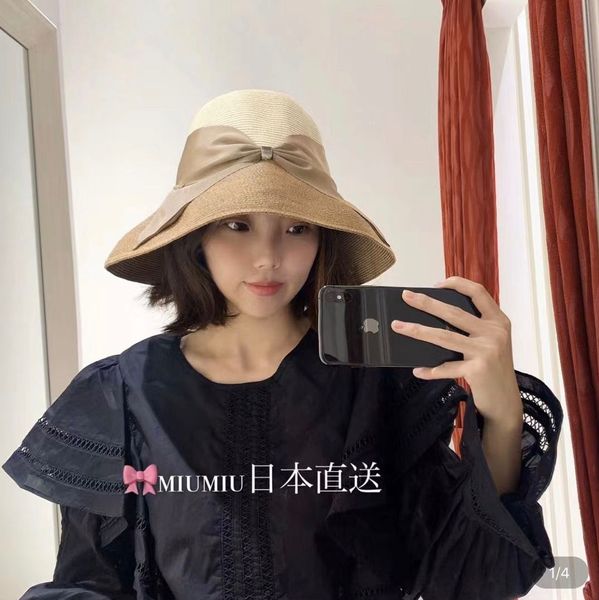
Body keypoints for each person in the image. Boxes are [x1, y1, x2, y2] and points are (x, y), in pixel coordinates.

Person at [2, 89, 563, 600]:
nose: (268, 257)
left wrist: (502, 414)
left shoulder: (380, 388)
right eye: (237, 225)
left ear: (323, 240)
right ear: (194, 239)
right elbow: (91, 580)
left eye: (297, 228)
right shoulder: (123, 394)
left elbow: (472, 575)